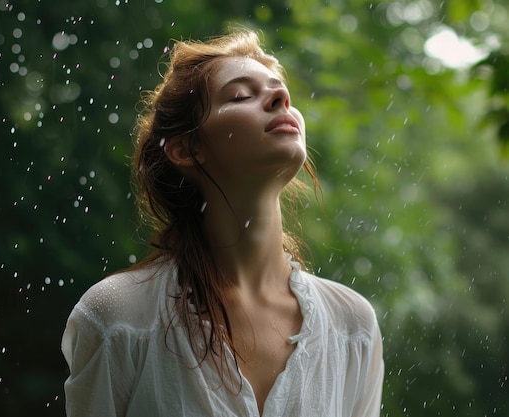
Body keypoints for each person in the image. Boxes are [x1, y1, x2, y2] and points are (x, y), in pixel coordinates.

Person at [61, 29, 384, 417]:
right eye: (241, 95)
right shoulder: (121, 317)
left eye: (281, 92)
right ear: (187, 148)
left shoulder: (351, 326)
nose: (282, 99)